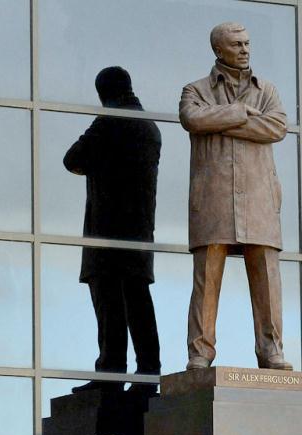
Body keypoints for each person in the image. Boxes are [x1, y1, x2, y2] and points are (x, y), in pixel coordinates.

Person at [180, 22, 291, 370]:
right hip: (213, 197)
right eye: (237, 44)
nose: (245, 49)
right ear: (219, 50)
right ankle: (200, 352)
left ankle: (271, 350)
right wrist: (241, 113)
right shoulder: (195, 89)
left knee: (267, 277)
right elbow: (192, 119)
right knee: (207, 278)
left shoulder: (267, 90)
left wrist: (221, 121)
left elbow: (276, 127)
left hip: (258, 198)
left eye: (247, 43)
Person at [64, 66, 161, 393]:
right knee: (137, 301)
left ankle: (111, 372)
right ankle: (148, 371)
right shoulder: (149, 126)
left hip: (108, 232)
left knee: (110, 305)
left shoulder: (109, 124)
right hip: (139, 232)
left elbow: (73, 158)